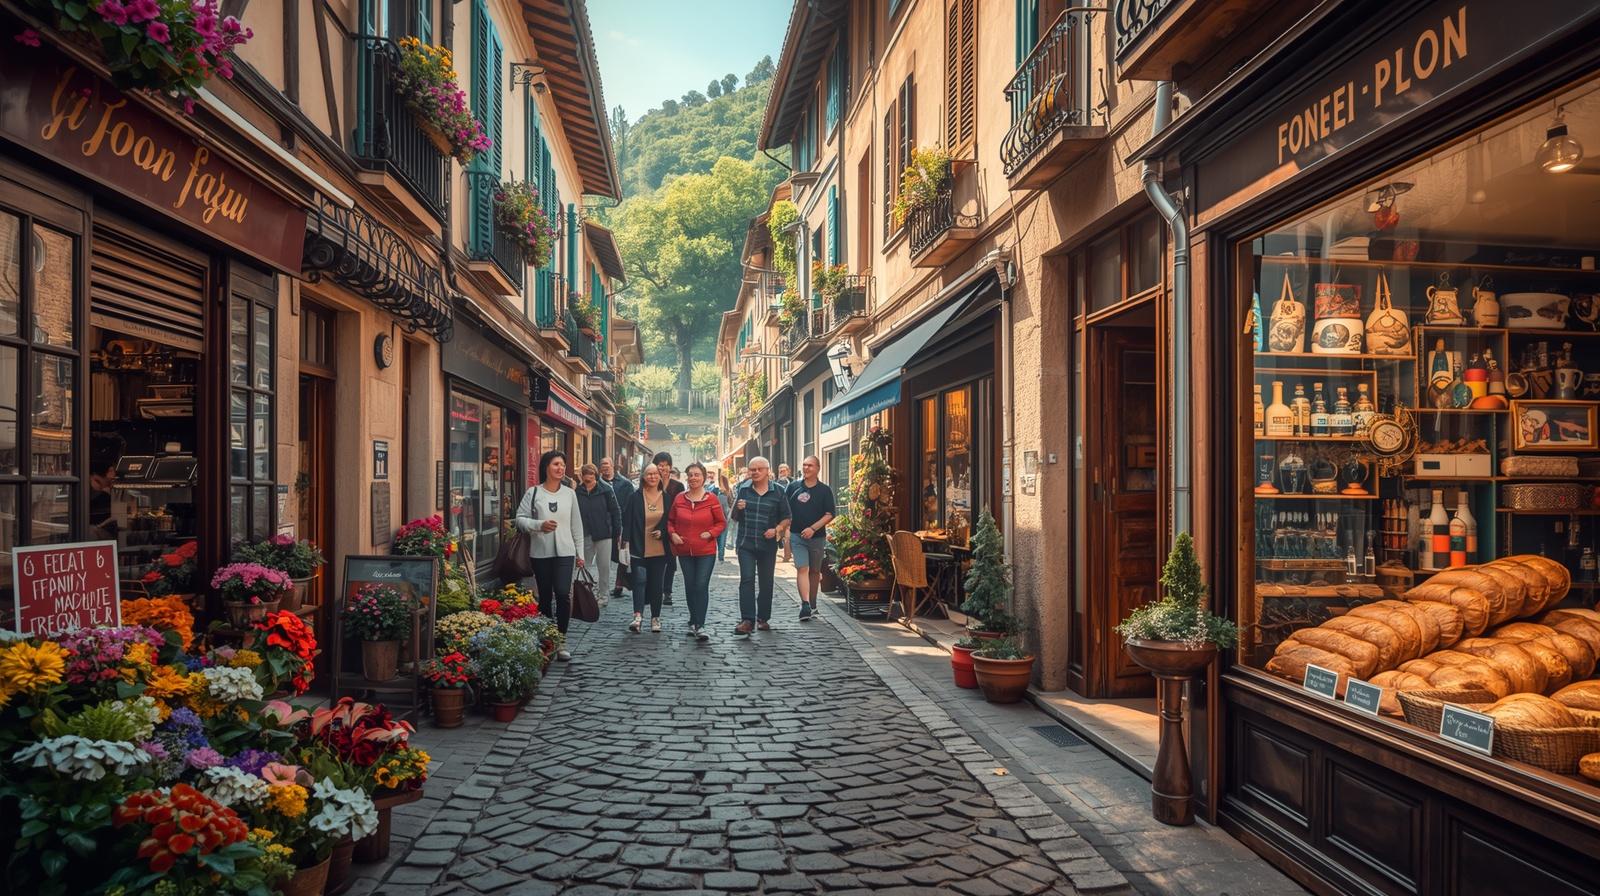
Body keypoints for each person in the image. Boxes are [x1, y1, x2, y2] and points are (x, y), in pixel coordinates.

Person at [515, 451, 585, 661]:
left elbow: (577, 526)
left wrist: (580, 553)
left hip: (566, 552)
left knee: (563, 594)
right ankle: (548, 640)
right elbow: (519, 519)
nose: (560, 468)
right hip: (541, 552)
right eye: (556, 464)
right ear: (546, 467)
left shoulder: (570, 494)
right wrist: (539, 525)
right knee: (545, 596)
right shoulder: (533, 493)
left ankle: (561, 639)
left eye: (563, 465)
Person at [731, 456, 790, 636]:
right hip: (746, 543)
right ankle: (747, 620)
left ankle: (763, 618)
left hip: (767, 545)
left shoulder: (778, 491)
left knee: (766, 582)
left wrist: (777, 529)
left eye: (759, 469)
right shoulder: (743, 489)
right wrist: (738, 509)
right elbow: (734, 517)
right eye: (752, 469)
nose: (755, 472)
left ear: (767, 471)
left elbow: (787, 517)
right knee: (747, 579)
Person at [668, 462, 725, 641]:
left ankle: (700, 625)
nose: (693, 478)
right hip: (684, 550)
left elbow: (721, 523)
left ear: (703, 477)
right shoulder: (679, 498)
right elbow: (670, 521)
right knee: (689, 585)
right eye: (690, 474)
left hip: (706, 551)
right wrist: (673, 534)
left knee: (701, 585)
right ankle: (693, 619)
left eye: (697, 475)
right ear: (687, 477)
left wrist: (711, 533)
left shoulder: (711, 499)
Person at [619, 464, 670, 633]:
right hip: (638, 546)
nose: (653, 477)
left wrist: (662, 532)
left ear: (660, 477)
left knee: (656, 584)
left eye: (655, 474)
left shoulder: (667, 498)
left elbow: (671, 522)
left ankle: (655, 618)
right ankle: (637, 617)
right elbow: (627, 521)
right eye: (649, 474)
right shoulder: (635, 497)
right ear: (643, 477)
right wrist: (624, 543)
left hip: (660, 549)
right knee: (639, 581)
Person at [785, 455, 836, 622]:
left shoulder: (824, 490)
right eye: (804, 465)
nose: (806, 468)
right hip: (796, 536)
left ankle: (813, 604)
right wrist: (785, 529)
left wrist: (813, 528)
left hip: (817, 538)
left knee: (815, 571)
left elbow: (830, 514)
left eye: (810, 466)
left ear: (818, 468)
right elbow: (784, 509)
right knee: (802, 568)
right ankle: (805, 604)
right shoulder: (793, 487)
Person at [574, 463, 621, 605]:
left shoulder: (606, 490)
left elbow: (615, 511)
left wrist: (617, 532)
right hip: (585, 533)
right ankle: (585, 594)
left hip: (603, 533)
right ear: (582, 476)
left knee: (604, 566)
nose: (588, 479)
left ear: (596, 476)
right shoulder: (577, 492)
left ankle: (603, 595)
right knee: (583, 565)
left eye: (591, 476)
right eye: (586, 476)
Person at [648, 451, 686, 607]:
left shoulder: (678, 486)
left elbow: (679, 507)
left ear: (670, 467)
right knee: (654, 560)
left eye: (666, 465)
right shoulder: (650, 483)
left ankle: (667, 592)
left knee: (670, 561)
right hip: (653, 526)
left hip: (671, 527)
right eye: (660, 465)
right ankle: (653, 590)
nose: (663, 468)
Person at [600, 457, 635, 599]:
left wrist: (625, 526)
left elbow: (630, 505)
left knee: (622, 555)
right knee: (605, 557)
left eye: (607, 464)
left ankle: (619, 584)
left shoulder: (625, 484)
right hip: (603, 525)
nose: (605, 467)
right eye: (602, 465)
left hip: (621, 524)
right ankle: (603, 587)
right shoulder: (598, 483)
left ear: (613, 466)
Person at [774, 462, 795, 562]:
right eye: (780, 471)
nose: (782, 473)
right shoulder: (775, 484)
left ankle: (787, 556)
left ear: (788, 471)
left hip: (790, 512)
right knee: (777, 534)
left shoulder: (793, 483)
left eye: (784, 471)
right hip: (777, 515)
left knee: (788, 535)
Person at [714, 470, 735, 562]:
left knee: (722, 538)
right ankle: (719, 555)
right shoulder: (716, 491)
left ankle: (721, 556)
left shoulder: (727, 493)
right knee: (719, 538)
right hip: (716, 519)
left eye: (721, 482)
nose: (719, 484)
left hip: (725, 519)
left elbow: (731, 505)